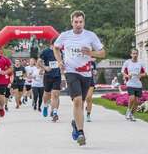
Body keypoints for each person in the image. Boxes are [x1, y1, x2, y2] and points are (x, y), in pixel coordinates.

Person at [53, 10, 105, 146]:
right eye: (76, 22)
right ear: (72, 22)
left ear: (84, 22)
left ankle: (75, 125)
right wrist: (59, 61)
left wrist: (91, 52)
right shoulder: (65, 36)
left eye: (80, 22)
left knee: (81, 104)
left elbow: (103, 53)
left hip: (86, 73)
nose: (78, 24)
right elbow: (56, 48)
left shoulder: (90, 36)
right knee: (77, 101)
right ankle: (81, 133)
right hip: (70, 71)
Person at [121, 48, 146, 122]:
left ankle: (132, 114)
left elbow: (145, 73)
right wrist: (127, 76)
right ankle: (128, 111)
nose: (135, 55)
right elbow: (122, 71)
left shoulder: (141, 63)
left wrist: (140, 75)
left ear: (138, 54)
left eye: (136, 53)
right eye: (133, 53)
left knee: (137, 102)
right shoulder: (127, 62)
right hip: (130, 83)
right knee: (132, 98)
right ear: (131, 54)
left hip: (138, 84)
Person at [40, 39, 62, 122]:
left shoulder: (60, 52)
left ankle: (54, 112)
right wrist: (45, 67)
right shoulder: (45, 52)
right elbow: (39, 63)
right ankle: (45, 105)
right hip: (48, 76)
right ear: (53, 44)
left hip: (57, 76)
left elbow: (62, 62)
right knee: (47, 94)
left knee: (56, 94)